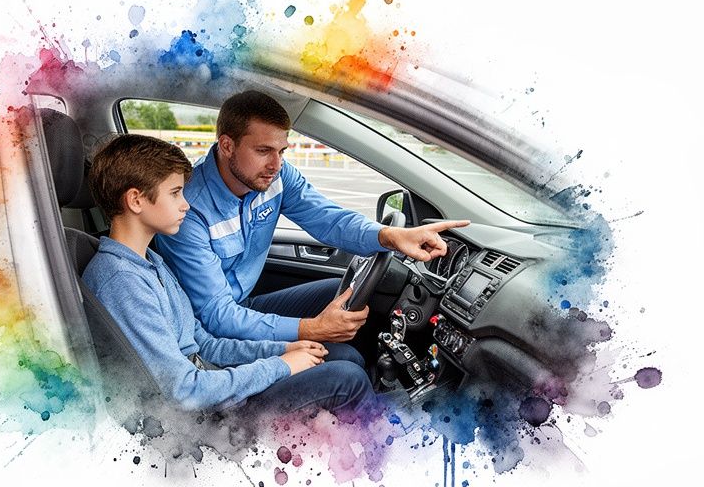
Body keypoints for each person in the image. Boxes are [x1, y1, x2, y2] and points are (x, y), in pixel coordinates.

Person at [156, 90, 470, 356]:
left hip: (245, 306)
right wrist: (314, 329)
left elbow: (328, 220)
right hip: (209, 331)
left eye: (281, 151)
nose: (276, 165)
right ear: (227, 146)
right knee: (346, 361)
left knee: (342, 292)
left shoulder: (275, 176)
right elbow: (216, 315)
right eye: (263, 151)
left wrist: (390, 236)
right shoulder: (188, 209)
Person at [81, 133, 374, 414]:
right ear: (135, 200)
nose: (186, 203)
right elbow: (184, 390)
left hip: (211, 383)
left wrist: (282, 349)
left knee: (342, 355)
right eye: (175, 193)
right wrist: (280, 365)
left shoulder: (151, 262)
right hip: (203, 421)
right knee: (346, 378)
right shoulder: (122, 281)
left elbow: (205, 345)